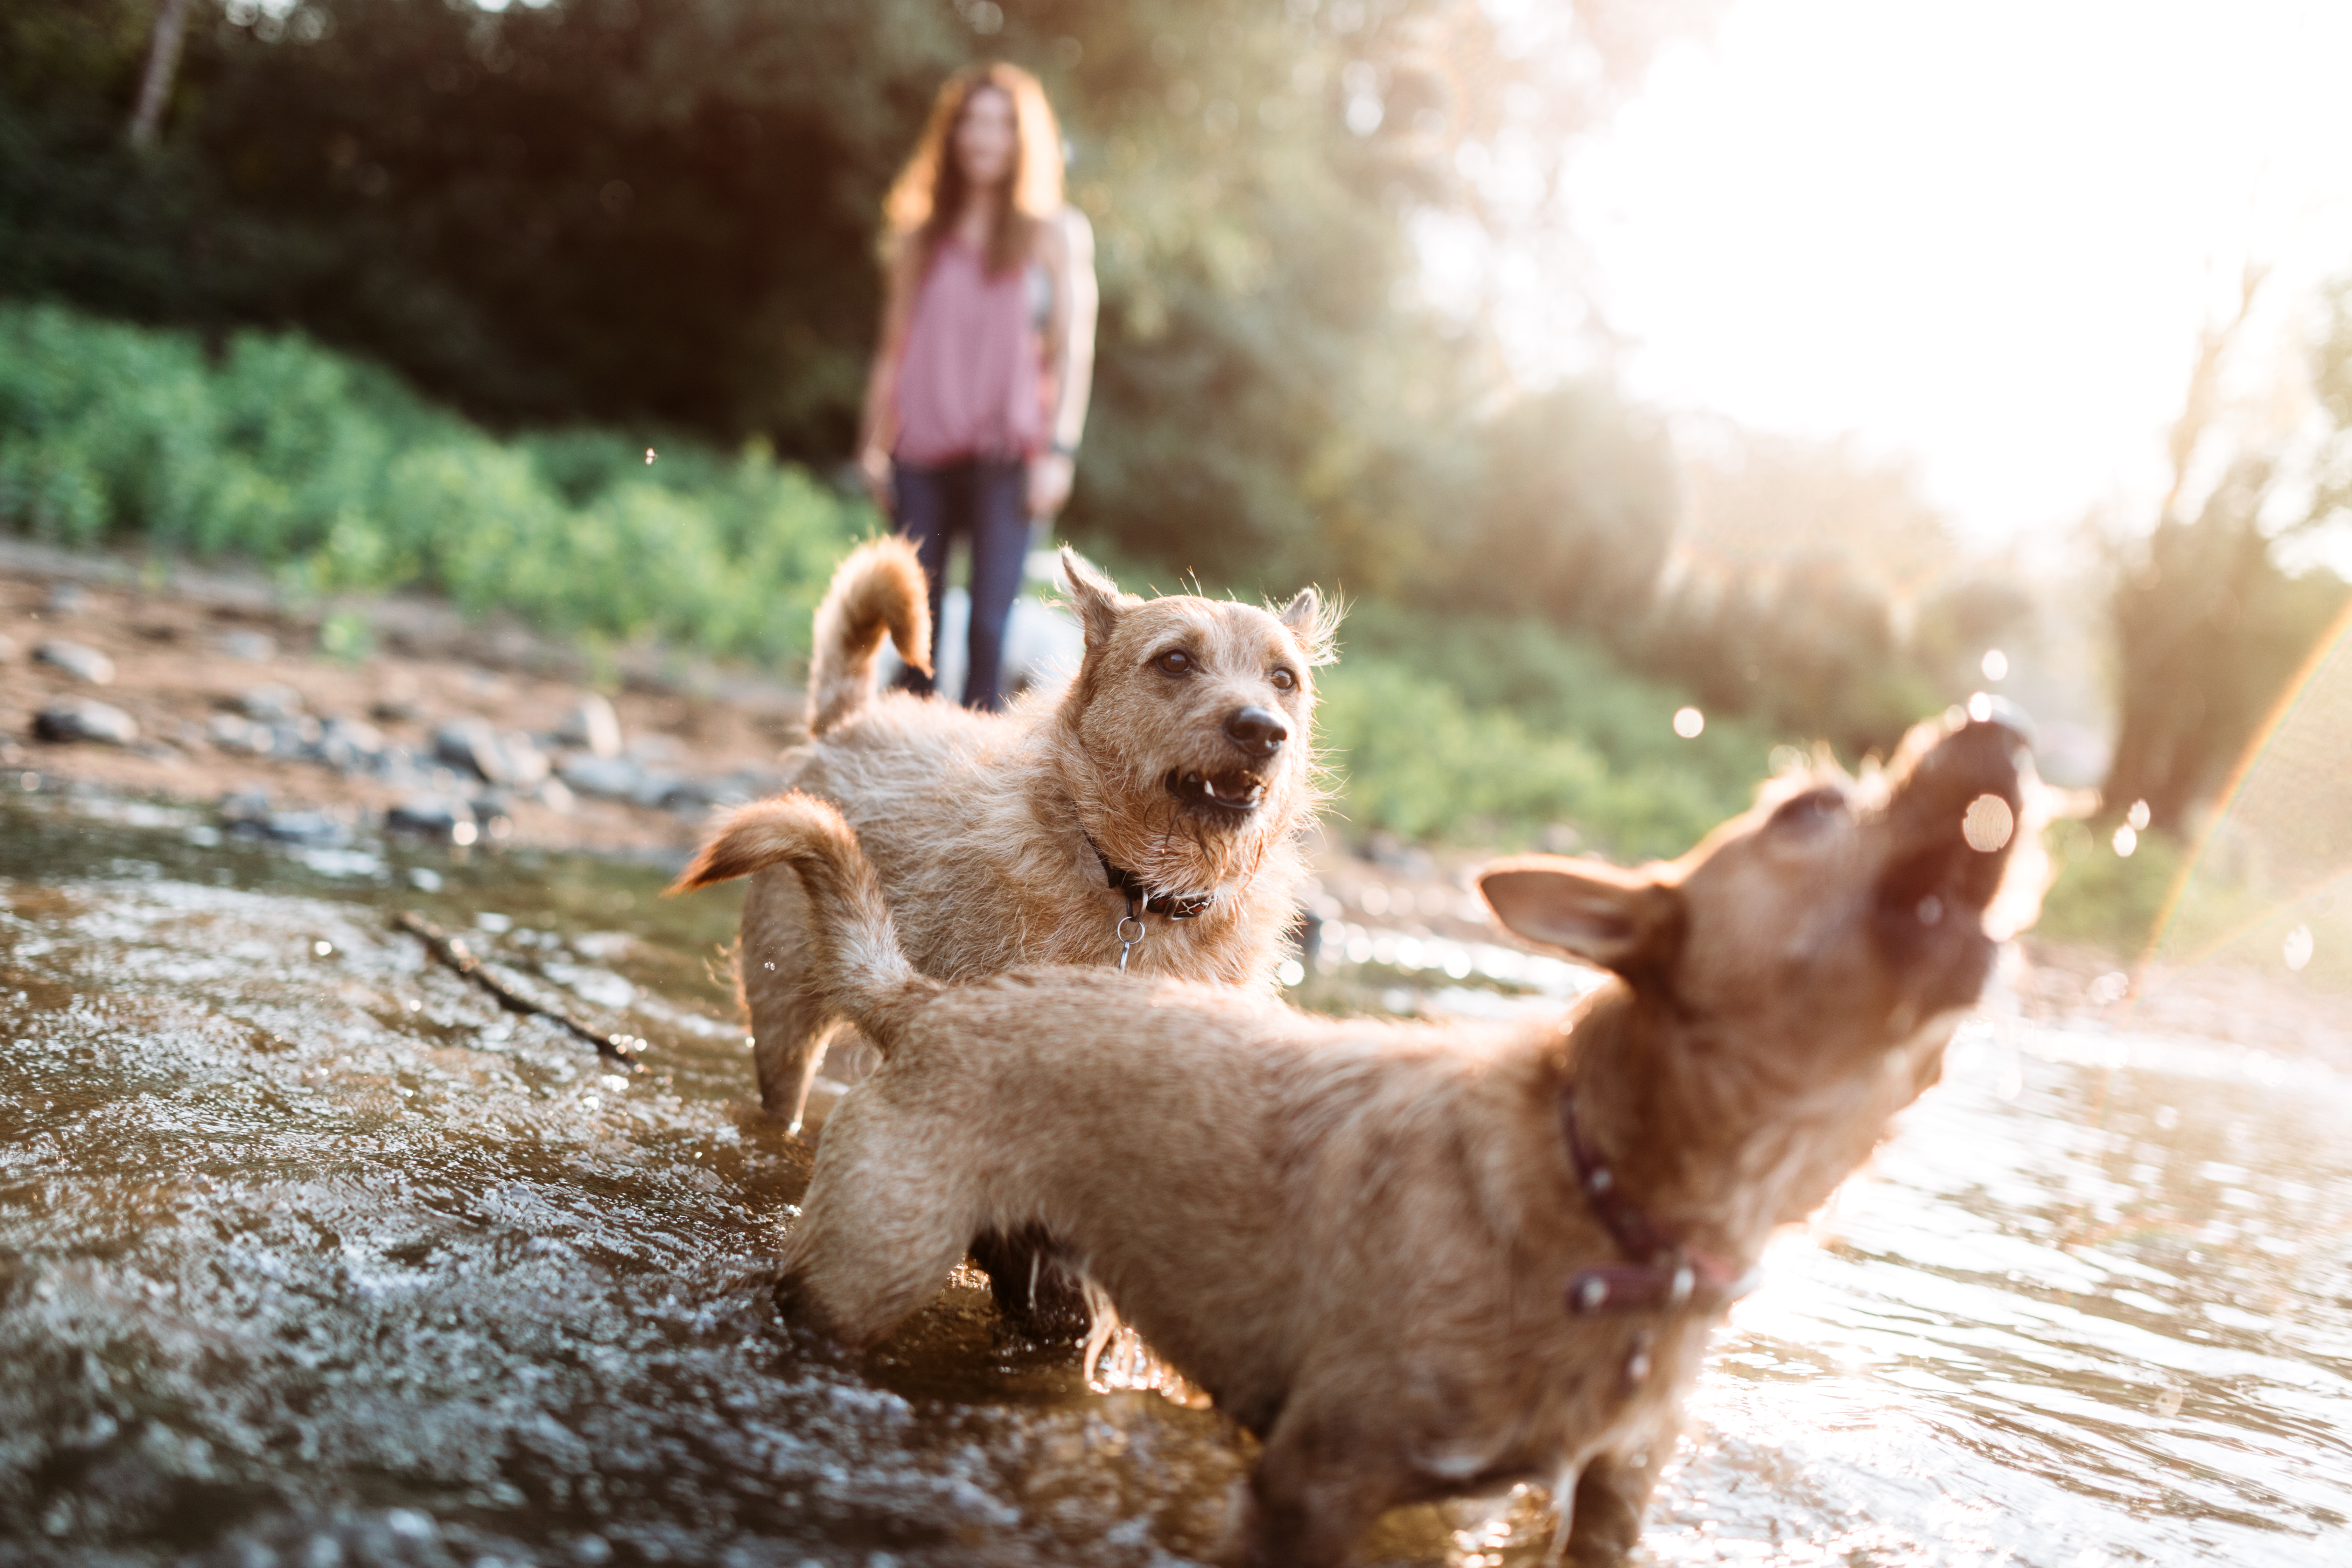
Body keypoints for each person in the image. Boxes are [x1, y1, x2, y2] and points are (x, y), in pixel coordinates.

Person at [855, 62, 1097, 712]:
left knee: (991, 626)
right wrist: (871, 447)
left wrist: (1060, 452)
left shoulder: (1055, 233)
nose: (983, 137)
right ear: (952, 135)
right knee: (917, 628)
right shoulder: (919, 236)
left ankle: (977, 795)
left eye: (1000, 124)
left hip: (1008, 455)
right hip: (921, 452)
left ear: (1023, 140)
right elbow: (891, 350)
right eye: (971, 122)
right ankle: (906, 774)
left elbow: (1075, 347)